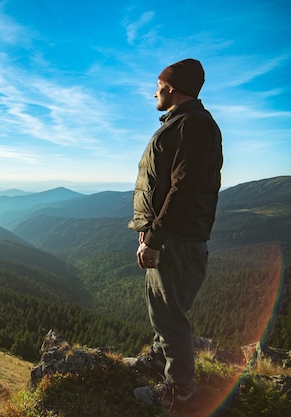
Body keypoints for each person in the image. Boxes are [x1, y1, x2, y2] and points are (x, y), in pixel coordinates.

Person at [125, 58, 223, 409]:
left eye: (157, 85)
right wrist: (149, 230)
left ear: (170, 87)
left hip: (176, 241)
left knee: (168, 317)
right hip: (175, 237)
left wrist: (154, 238)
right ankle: (168, 370)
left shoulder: (191, 125)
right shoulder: (186, 123)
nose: (154, 91)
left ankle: (178, 395)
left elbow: (182, 190)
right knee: (167, 313)